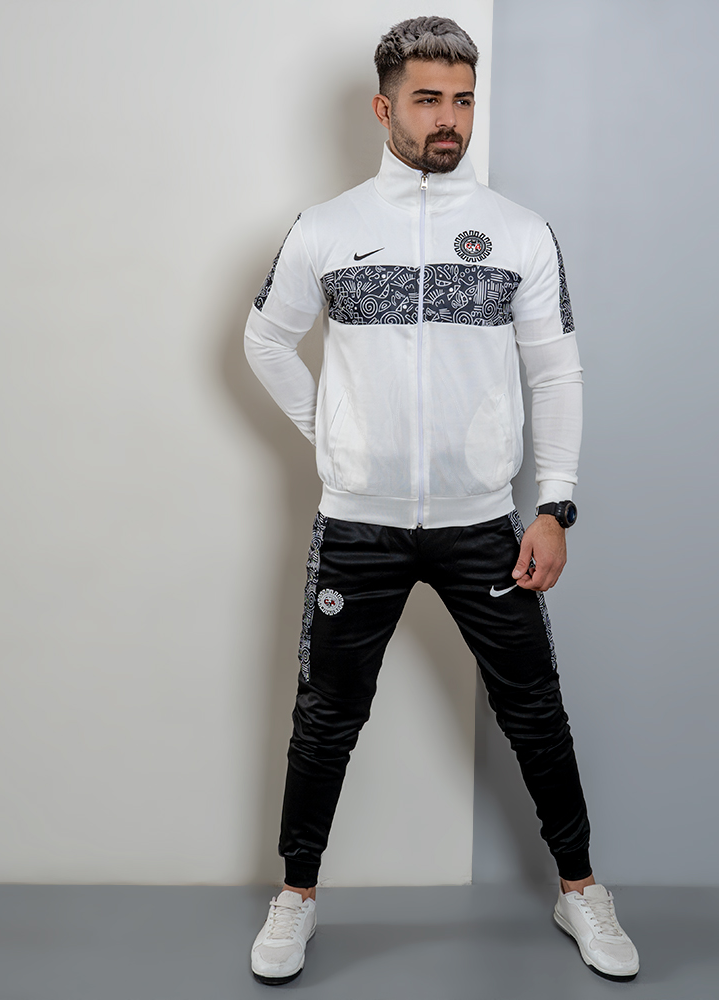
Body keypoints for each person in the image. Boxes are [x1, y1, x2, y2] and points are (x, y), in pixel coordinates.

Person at [243, 15, 639, 986]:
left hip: (481, 526)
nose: (448, 118)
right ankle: (295, 898)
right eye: (427, 99)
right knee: (326, 718)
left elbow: (556, 372)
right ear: (384, 110)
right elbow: (264, 339)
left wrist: (554, 505)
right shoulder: (326, 228)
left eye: (462, 99)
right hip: (358, 526)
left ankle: (581, 889)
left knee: (534, 712)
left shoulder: (518, 231)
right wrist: (334, 435)